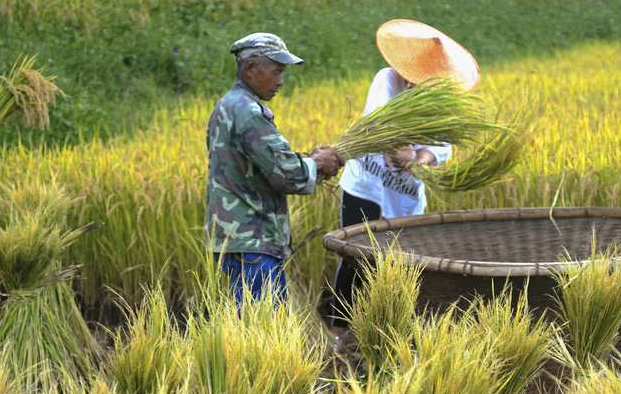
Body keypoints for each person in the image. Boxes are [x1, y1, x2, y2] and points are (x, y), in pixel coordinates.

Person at [321, 19, 480, 327]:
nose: (415, 83)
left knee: (401, 262)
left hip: (404, 194)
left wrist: (417, 158)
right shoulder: (387, 80)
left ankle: (388, 322)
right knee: (357, 257)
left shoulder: (443, 103)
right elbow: (380, 125)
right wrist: (399, 150)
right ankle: (341, 325)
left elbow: (441, 149)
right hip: (365, 186)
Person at [206, 33, 344, 306]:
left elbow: (261, 166)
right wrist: (318, 163)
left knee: (250, 329)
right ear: (250, 69)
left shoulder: (228, 106)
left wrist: (309, 160)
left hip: (236, 240)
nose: (281, 81)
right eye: (277, 71)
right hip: (253, 242)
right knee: (262, 329)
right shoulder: (248, 112)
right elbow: (287, 174)